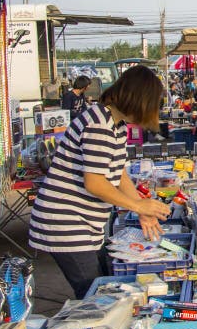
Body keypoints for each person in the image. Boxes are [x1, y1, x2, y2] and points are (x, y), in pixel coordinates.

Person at [28, 66, 172, 299]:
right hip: (67, 225)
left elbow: (118, 173)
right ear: (137, 100)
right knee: (96, 296)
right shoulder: (99, 125)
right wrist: (138, 206)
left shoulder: (115, 123)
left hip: (83, 224)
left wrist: (141, 207)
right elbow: (94, 183)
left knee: (103, 286)